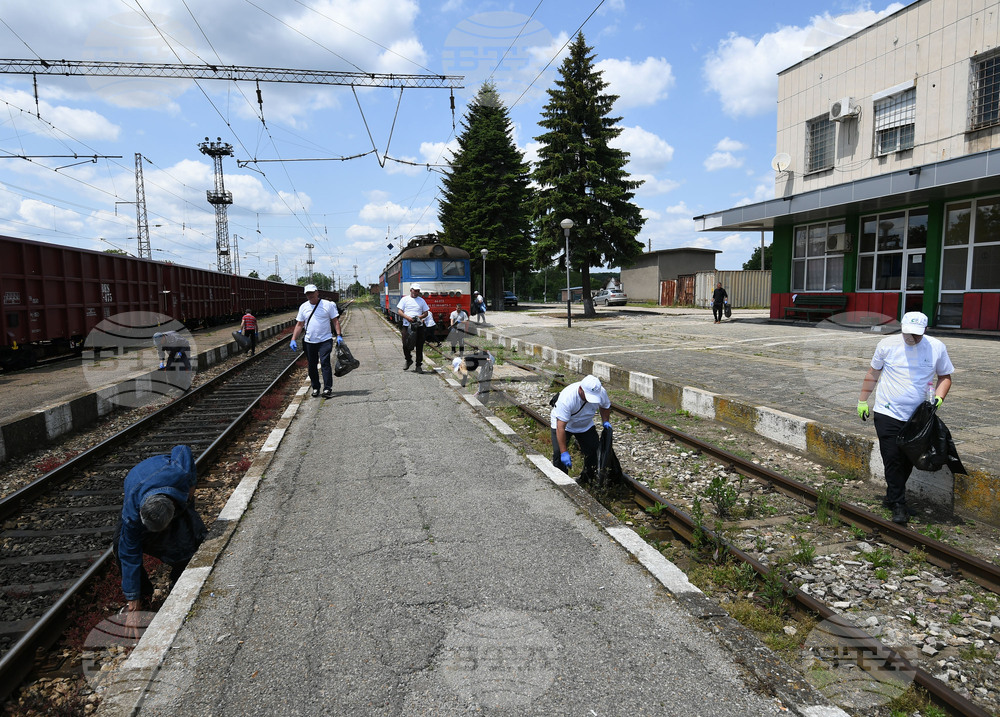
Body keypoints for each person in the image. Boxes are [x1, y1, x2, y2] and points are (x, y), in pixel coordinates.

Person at [857, 311, 954, 525]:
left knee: (908, 458)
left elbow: (945, 377)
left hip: (918, 417)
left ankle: (893, 497)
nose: (911, 338)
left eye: (917, 335)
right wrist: (863, 400)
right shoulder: (887, 345)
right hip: (887, 411)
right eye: (908, 333)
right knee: (892, 457)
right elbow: (873, 373)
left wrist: (939, 399)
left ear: (925, 331)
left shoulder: (936, 347)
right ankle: (899, 505)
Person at [113, 445, 206, 637]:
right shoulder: (133, 514)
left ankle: (179, 582)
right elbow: (130, 553)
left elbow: (182, 449)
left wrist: (191, 486)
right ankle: (144, 599)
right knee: (119, 545)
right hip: (141, 484)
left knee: (186, 547)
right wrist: (133, 600)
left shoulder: (178, 474)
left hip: (170, 487)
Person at [550, 374, 612, 478]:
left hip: (585, 424)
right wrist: (564, 452)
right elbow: (561, 427)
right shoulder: (567, 398)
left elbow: (605, 406)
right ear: (580, 389)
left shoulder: (600, 392)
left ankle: (588, 478)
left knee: (593, 450)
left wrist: (605, 421)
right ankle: (561, 481)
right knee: (558, 454)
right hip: (566, 424)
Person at [290, 284, 343, 398]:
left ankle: (327, 388)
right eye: (307, 293)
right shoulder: (303, 307)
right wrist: (293, 339)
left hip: (325, 339)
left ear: (317, 292)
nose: (310, 295)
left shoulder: (327, 305)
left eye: (312, 293)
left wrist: (338, 335)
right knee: (312, 365)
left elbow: (335, 321)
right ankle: (315, 387)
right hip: (309, 341)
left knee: (325, 363)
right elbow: (299, 324)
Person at [396, 285, 430, 373]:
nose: (417, 293)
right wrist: (407, 317)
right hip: (407, 325)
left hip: (418, 326)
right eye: (415, 291)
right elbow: (399, 311)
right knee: (405, 344)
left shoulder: (421, 300)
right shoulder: (404, 299)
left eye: (418, 291)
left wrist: (420, 316)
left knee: (419, 345)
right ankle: (408, 359)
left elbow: (426, 312)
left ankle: (418, 365)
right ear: (411, 290)